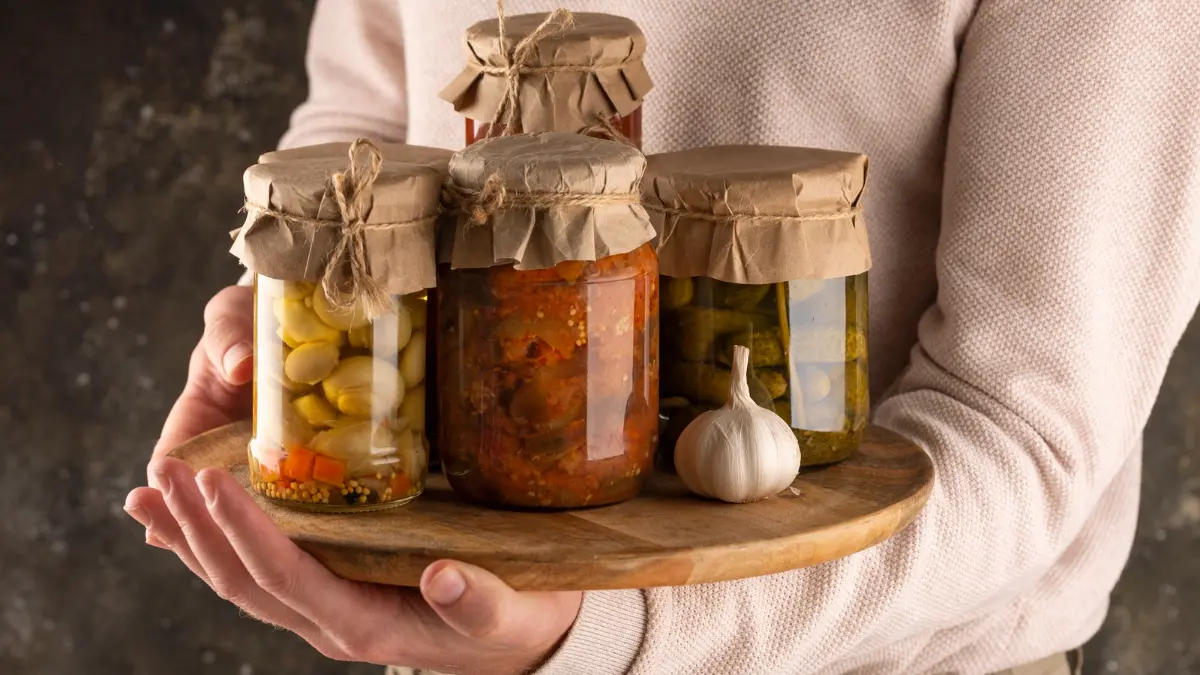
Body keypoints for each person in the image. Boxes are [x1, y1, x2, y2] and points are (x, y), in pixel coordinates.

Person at [122, 1, 1200, 673]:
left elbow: (1021, 423)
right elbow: (363, 126)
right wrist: (274, 301)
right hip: (491, 629)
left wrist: (611, 636)